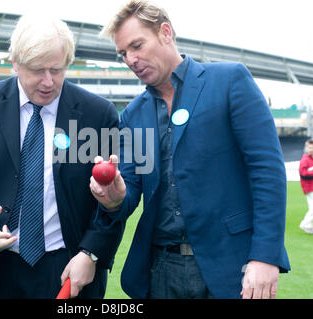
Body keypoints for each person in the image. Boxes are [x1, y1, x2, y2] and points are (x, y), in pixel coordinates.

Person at [90, 0, 290, 299]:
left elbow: (268, 172)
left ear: (165, 33)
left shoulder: (229, 80)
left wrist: (265, 256)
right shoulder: (133, 114)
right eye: (123, 54)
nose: (130, 59)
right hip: (161, 269)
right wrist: (115, 198)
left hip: (231, 264)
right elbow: (130, 187)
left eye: (137, 45)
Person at [0, 13, 124, 299]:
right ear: (15, 64)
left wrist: (92, 254)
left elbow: (113, 202)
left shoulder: (99, 114)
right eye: (37, 70)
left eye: (57, 70)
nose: (48, 81)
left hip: (68, 268)